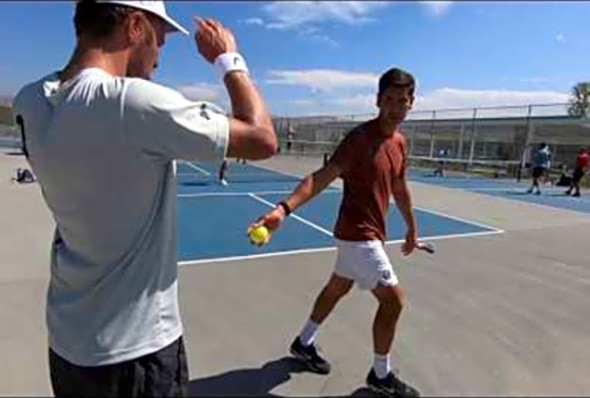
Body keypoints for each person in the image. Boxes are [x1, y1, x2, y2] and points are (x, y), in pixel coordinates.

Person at [12, 1, 276, 396]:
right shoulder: (132, 102)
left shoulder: (29, 102)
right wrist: (228, 59)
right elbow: (262, 138)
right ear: (134, 26)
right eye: (160, 39)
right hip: (135, 353)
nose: (159, 56)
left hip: (68, 344)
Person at [248, 67, 421, 397]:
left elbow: (399, 187)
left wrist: (412, 229)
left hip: (359, 235)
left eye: (403, 100)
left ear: (411, 103)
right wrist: (283, 209)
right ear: (378, 101)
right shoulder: (359, 139)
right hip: (358, 235)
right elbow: (322, 176)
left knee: (336, 289)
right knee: (393, 302)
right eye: (389, 100)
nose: (396, 107)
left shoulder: (399, 142)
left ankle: (303, 342)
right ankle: (381, 376)